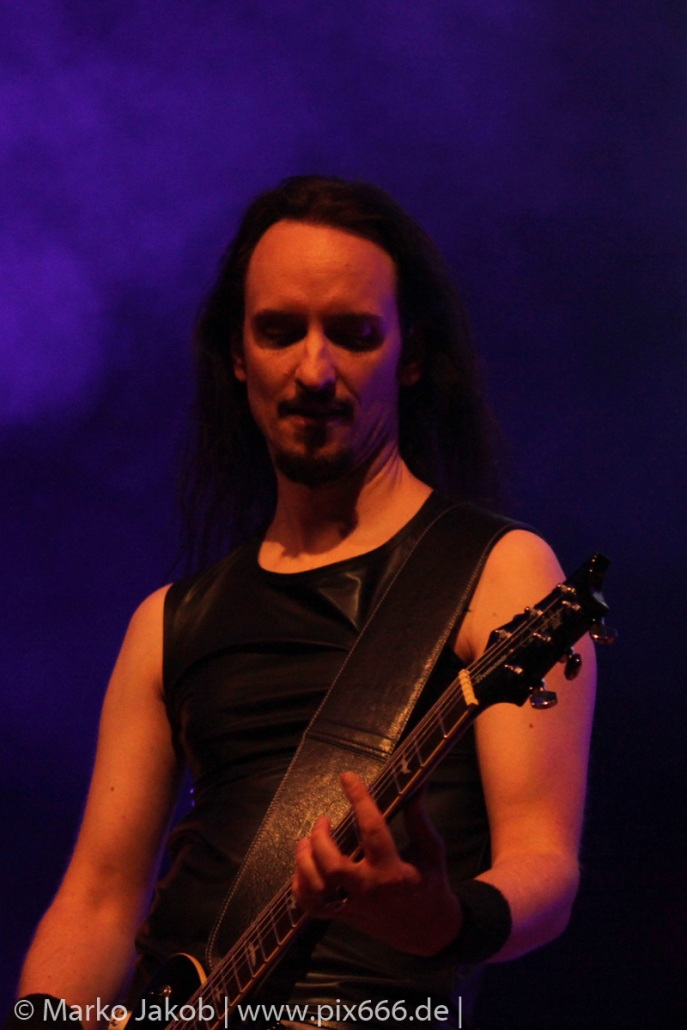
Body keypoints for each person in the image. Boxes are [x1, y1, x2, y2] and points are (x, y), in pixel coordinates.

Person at [11, 176, 596, 1029]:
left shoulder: (502, 573)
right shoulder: (167, 623)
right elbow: (97, 901)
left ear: (411, 355)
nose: (313, 370)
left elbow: (544, 867)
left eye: (353, 335)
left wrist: (443, 918)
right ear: (238, 354)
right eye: (280, 331)